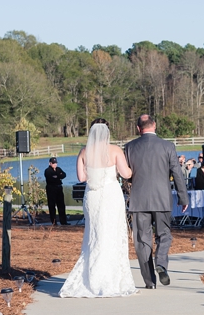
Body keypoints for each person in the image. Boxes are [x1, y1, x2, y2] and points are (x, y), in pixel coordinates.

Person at [59, 119, 137, 298]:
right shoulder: (115, 150)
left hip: (93, 197)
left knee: (94, 234)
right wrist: (130, 171)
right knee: (112, 233)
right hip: (111, 194)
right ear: (107, 132)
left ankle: (91, 277)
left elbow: (81, 177)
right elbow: (126, 174)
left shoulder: (85, 152)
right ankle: (112, 278)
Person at [124, 114, 188, 289]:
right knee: (164, 235)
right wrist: (183, 197)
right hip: (162, 198)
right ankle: (160, 262)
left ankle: (149, 281)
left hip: (138, 200)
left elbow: (125, 175)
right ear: (155, 125)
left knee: (142, 240)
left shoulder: (129, 147)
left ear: (138, 128)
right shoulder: (167, 146)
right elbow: (177, 173)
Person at [44, 156, 68, 225]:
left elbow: (64, 175)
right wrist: (58, 176)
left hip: (59, 188)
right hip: (51, 188)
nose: (55, 164)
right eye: (53, 163)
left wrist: (57, 176)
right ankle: (54, 222)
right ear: (50, 163)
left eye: (56, 163)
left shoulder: (58, 169)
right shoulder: (47, 171)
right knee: (52, 206)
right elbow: (51, 179)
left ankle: (63, 221)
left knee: (61, 205)